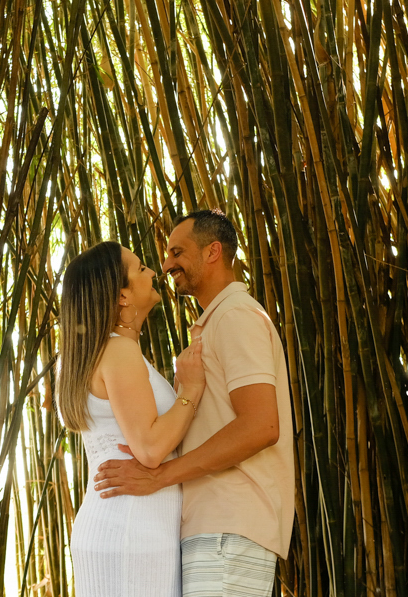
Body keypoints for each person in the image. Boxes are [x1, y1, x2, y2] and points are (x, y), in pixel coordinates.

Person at [94, 210, 294, 597]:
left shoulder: (236, 315)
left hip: (229, 528)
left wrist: (160, 476)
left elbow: (261, 426)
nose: (165, 264)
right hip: (217, 529)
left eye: (177, 252)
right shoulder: (217, 321)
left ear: (213, 252)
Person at [58, 241, 207, 597]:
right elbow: (150, 448)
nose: (154, 272)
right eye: (140, 269)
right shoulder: (119, 350)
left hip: (121, 525)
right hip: (132, 531)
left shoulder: (102, 351)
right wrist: (192, 389)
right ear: (121, 296)